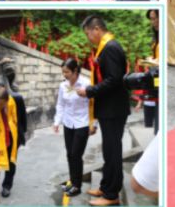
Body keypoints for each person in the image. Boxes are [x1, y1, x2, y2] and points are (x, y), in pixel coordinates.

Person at [77, 16, 130, 207]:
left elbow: (113, 80)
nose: (88, 38)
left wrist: (90, 91)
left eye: (88, 33)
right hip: (110, 109)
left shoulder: (110, 48)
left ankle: (111, 194)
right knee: (109, 151)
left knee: (113, 152)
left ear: (97, 29)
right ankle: (106, 186)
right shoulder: (107, 47)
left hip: (114, 110)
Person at [54, 58, 93, 198]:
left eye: (67, 72)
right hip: (68, 123)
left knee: (76, 155)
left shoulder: (86, 83)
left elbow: (93, 105)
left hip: (82, 123)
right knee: (70, 154)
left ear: (75, 71)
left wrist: (93, 124)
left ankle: (77, 185)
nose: (64, 74)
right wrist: (57, 121)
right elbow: (60, 104)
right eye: (63, 72)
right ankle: (72, 181)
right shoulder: (63, 86)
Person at [0, 84, 23, 197]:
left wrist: (21, 135)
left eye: (1, 104)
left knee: (11, 162)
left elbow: (22, 118)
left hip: (12, 136)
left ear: (7, 100)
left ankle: (7, 186)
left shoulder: (16, 100)